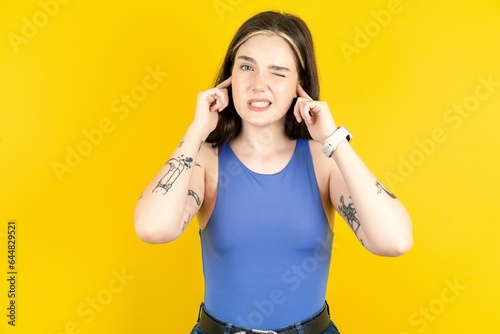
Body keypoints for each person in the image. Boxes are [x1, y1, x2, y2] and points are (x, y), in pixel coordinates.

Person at [134, 10, 413, 334]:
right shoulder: (206, 162)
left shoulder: (323, 163)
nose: (258, 84)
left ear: (300, 84)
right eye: (246, 67)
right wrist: (196, 132)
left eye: (278, 72)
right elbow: (153, 229)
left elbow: (394, 241)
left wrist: (334, 140)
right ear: (229, 78)